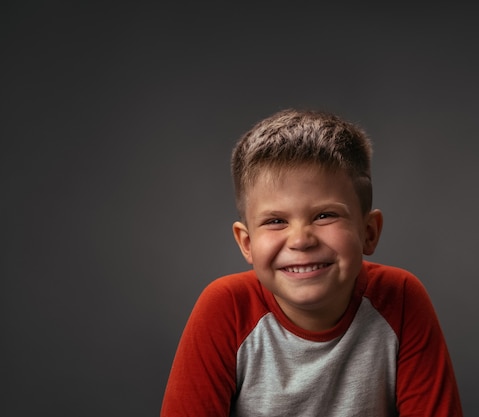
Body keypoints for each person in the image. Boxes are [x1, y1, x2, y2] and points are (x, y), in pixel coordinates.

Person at [161, 109, 463, 416]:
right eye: (276, 221)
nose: (301, 239)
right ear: (247, 243)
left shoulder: (400, 300)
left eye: (325, 215)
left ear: (368, 233)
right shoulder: (226, 308)